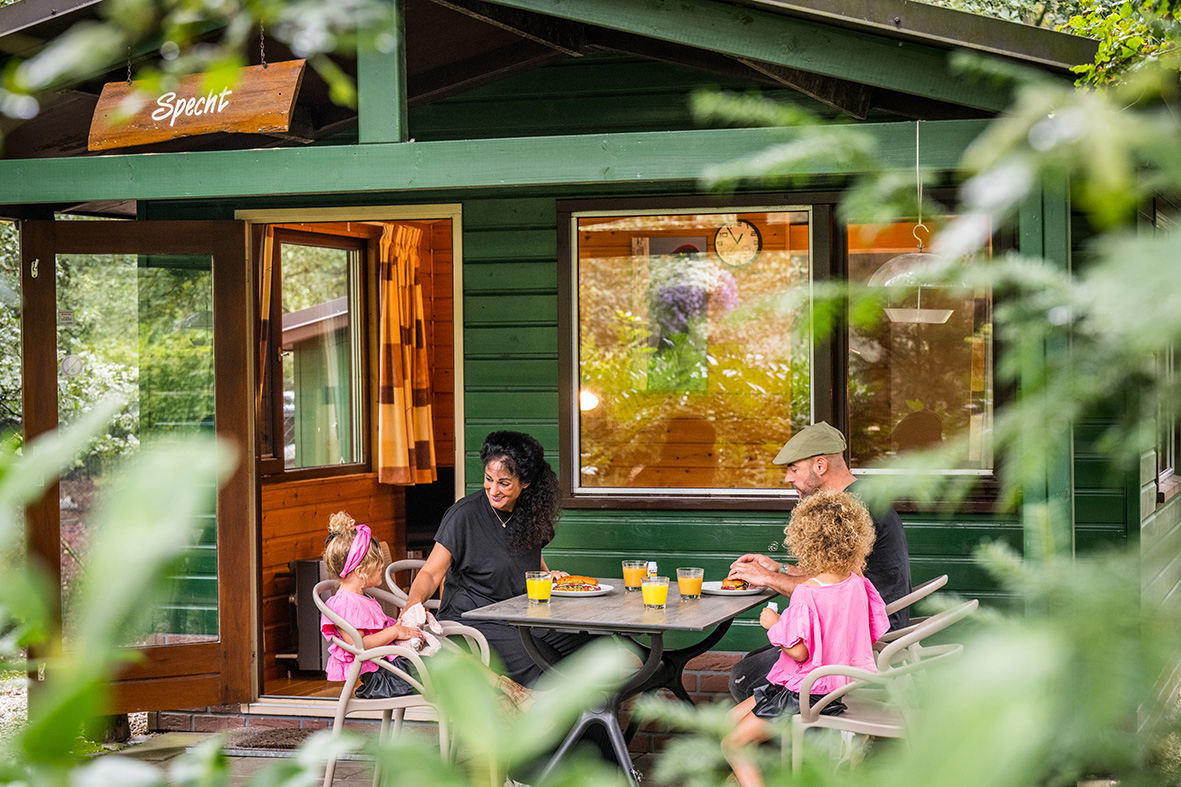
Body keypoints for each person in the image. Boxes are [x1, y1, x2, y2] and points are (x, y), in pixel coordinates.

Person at [726, 421, 911, 701]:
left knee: (746, 677)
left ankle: (814, 738)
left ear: (820, 465)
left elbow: (828, 592)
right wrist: (781, 569)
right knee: (753, 663)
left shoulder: (853, 510)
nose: (788, 478)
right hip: (851, 628)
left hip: (856, 639)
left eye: (794, 469)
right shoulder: (857, 499)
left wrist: (769, 579)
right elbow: (834, 576)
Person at [722, 490, 889, 787]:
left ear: (804, 541)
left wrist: (773, 625)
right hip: (836, 687)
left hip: (804, 693)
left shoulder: (807, 593)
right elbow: (874, 628)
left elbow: (798, 652)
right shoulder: (857, 582)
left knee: (732, 744)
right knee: (728, 723)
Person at [404, 430, 587, 686]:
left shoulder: (530, 513)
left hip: (521, 617)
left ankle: (598, 723)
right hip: (473, 621)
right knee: (549, 667)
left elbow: (531, 561)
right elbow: (431, 573)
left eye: (504, 483)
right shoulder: (464, 515)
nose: (493, 489)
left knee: (587, 648)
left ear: (525, 483)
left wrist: (549, 575)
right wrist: (414, 602)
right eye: (489, 479)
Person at [320, 511, 426, 698]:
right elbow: (360, 645)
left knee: (444, 661)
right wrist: (395, 632)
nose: (382, 570)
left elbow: (377, 630)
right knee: (445, 672)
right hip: (385, 677)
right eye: (378, 567)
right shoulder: (347, 604)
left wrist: (404, 626)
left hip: (393, 668)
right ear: (361, 571)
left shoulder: (360, 598)